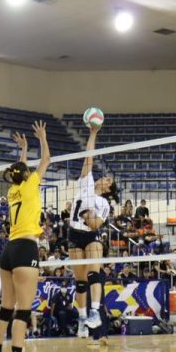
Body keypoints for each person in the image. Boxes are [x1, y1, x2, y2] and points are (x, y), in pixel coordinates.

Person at [0, 122, 50, 352]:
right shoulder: (30, 184)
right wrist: (42, 139)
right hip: (26, 248)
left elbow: (19, 171)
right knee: (23, 312)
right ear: (26, 175)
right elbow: (46, 159)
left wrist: (23, 150)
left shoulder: (14, 191)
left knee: (5, 309)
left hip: (8, 251)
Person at [67, 125, 117, 340]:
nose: (103, 179)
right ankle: (82, 317)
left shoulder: (104, 202)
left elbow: (96, 225)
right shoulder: (86, 183)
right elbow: (89, 156)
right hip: (73, 234)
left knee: (94, 273)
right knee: (79, 282)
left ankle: (95, 312)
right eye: (105, 177)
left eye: (108, 181)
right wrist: (93, 134)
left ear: (108, 189)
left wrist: (86, 214)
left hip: (90, 237)